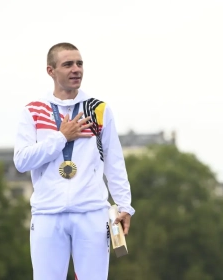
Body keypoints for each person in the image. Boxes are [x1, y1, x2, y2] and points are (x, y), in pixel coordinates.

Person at [13, 42, 135, 280]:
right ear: (51, 71)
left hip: (91, 213)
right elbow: (21, 161)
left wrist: (124, 206)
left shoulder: (98, 109)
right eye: (68, 64)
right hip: (47, 214)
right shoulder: (33, 111)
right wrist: (61, 137)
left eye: (79, 64)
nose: (76, 69)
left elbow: (114, 162)